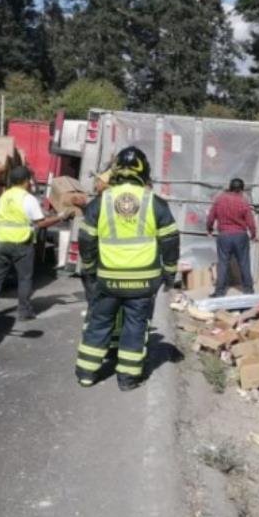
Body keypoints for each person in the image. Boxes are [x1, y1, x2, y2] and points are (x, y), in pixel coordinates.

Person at [74, 146, 179, 390]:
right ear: (144, 172)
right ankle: (127, 379)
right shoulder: (155, 203)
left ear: (116, 170)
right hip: (142, 284)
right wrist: (170, 272)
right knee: (135, 327)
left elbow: (87, 239)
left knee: (99, 324)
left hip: (107, 280)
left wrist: (89, 268)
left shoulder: (102, 202)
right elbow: (170, 241)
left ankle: (86, 374)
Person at [0, 166, 73, 321]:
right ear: (26, 181)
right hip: (21, 244)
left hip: (2, 242)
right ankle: (24, 312)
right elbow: (41, 223)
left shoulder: (5, 195)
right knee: (24, 278)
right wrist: (61, 217)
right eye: (30, 180)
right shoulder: (27, 198)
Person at [206, 177, 257, 297]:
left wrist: (209, 229)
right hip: (240, 236)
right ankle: (248, 289)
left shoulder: (220, 200)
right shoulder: (243, 202)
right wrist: (253, 234)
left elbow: (211, 217)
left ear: (230, 187)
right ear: (241, 189)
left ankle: (219, 291)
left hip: (224, 235)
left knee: (223, 263)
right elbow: (250, 221)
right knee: (244, 262)